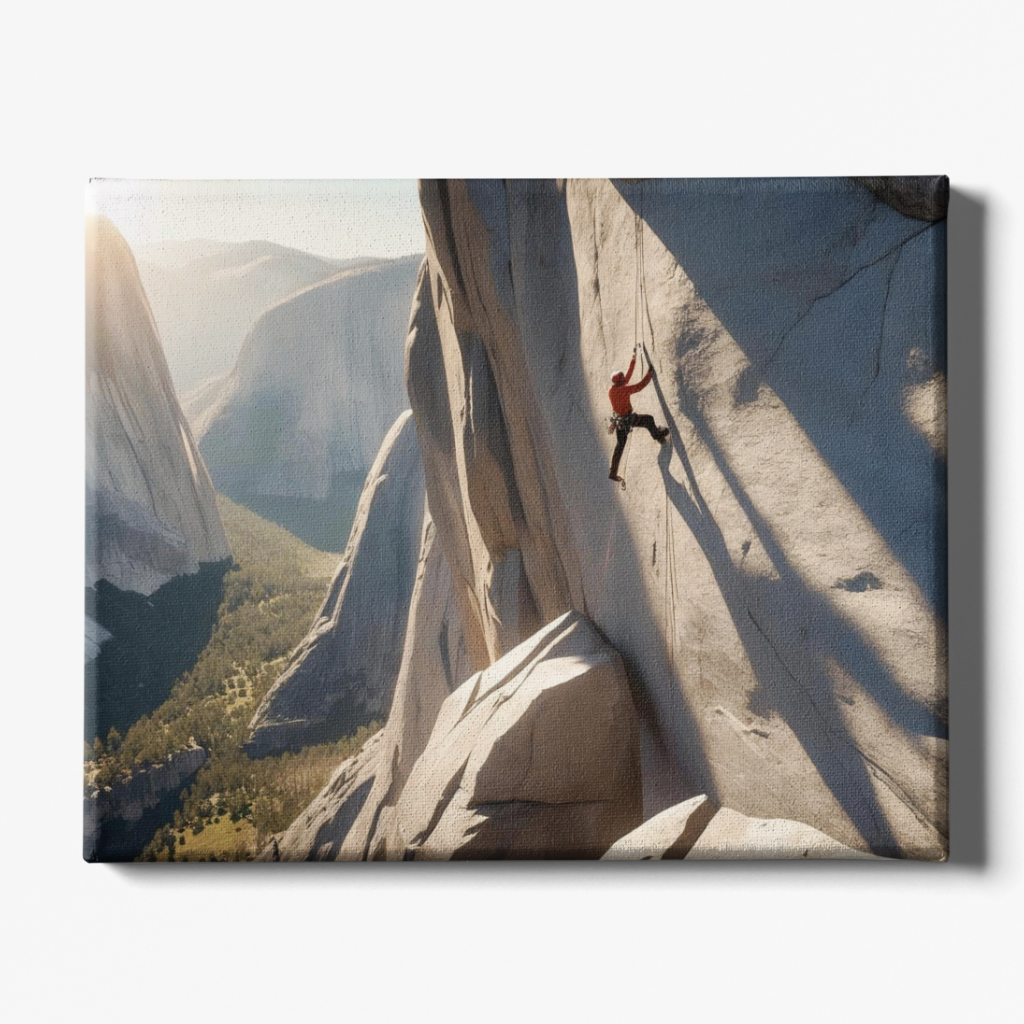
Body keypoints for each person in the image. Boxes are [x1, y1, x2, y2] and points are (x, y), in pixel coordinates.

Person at [608, 346, 669, 484]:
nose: (625, 379)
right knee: (648, 420)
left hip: (619, 422)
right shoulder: (623, 390)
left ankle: (613, 472)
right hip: (628, 419)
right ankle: (658, 436)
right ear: (620, 381)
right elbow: (639, 386)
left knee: (620, 444)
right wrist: (649, 373)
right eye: (622, 378)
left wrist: (633, 360)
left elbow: (627, 378)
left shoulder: (612, 390)